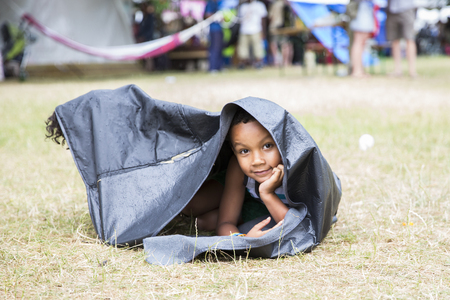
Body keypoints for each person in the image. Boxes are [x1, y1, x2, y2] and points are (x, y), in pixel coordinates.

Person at [181, 108, 286, 237]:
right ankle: (234, 201)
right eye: (244, 151)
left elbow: (297, 228)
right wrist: (243, 240)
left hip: (264, 204)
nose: (257, 161)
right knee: (190, 206)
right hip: (243, 185)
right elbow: (225, 223)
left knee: (205, 222)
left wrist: (267, 193)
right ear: (234, 151)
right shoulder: (238, 166)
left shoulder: (297, 168)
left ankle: (240, 205)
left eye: (267, 146)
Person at [386, 0, 417, 77]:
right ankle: (397, 70)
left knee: (409, 39)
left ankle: (412, 71)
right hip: (391, 9)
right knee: (394, 40)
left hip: (406, 7)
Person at [348, 0, 376, 78]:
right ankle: (356, 71)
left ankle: (359, 70)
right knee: (359, 41)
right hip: (361, 8)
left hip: (366, 7)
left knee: (362, 42)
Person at [237, 0, 268, 69]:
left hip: (256, 29)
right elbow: (239, 19)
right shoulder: (243, 6)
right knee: (243, 49)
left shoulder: (259, 5)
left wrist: (263, 32)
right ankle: (243, 64)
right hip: (244, 30)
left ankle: (259, 63)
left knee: (257, 48)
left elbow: (263, 19)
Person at [268, 0, 292, 67]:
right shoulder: (287, 4)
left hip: (274, 26)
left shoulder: (274, 4)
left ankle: (276, 61)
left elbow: (270, 17)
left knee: (274, 44)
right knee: (285, 44)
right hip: (284, 27)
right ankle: (285, 62)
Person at [204, 0, 223, 73]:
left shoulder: (217, 3)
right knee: (214, 49)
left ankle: (218, 67)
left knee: (219, 48)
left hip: (219, 29)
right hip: (213, 29)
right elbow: (207, 15)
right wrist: (215, 16)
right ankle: (213, 67)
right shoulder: (210, 3)